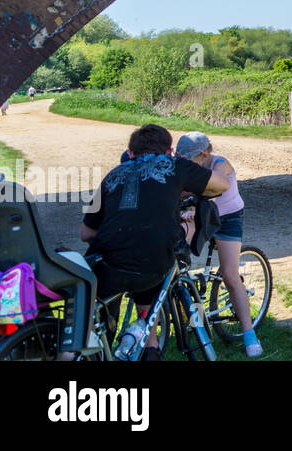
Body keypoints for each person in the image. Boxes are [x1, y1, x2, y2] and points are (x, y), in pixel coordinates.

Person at [80, 124, 228, 360]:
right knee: (163, 256)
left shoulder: (112, 176)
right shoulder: (175, 165)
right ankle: (150, 345)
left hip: (108, 266)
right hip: (152, 265)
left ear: (129, 153)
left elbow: (86, 234)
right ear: (170, 151)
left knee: (104, 316)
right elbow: (223, 184)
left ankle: (105, 349)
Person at [175, 132, 261, 358]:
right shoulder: (190, 165)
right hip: (200, 212)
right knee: (175, 252)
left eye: (187, 159)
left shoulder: (220, 164)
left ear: (203, 154)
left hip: (227, 218)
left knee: (231, 276)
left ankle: (249, 333)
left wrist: (192, 201)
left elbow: (214, 189)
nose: (184, 163)